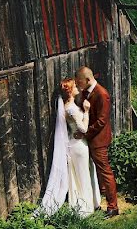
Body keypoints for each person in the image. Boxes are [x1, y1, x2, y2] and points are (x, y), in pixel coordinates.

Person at [36, 78, 101, 218]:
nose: (78, 87)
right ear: (71, 91)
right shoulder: (72, 109)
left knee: (76, 176)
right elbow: (83, 129)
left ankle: (81, 203)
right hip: (79, 145)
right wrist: (87, 111)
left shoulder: (66, 105)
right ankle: (87, 207)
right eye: (75, 86)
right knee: (83, 175)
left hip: (72, 142)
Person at [74, 66, 120, 217]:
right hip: (93, 139)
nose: (77, 84)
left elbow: (101, 121)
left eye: (79, 82)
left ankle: (113, 207)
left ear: (87, 80)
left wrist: (84, 133)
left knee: (105, 172)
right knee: (99, 173)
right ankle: (98, 200)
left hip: (99, 140)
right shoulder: (88, 92)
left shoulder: (102, 94)